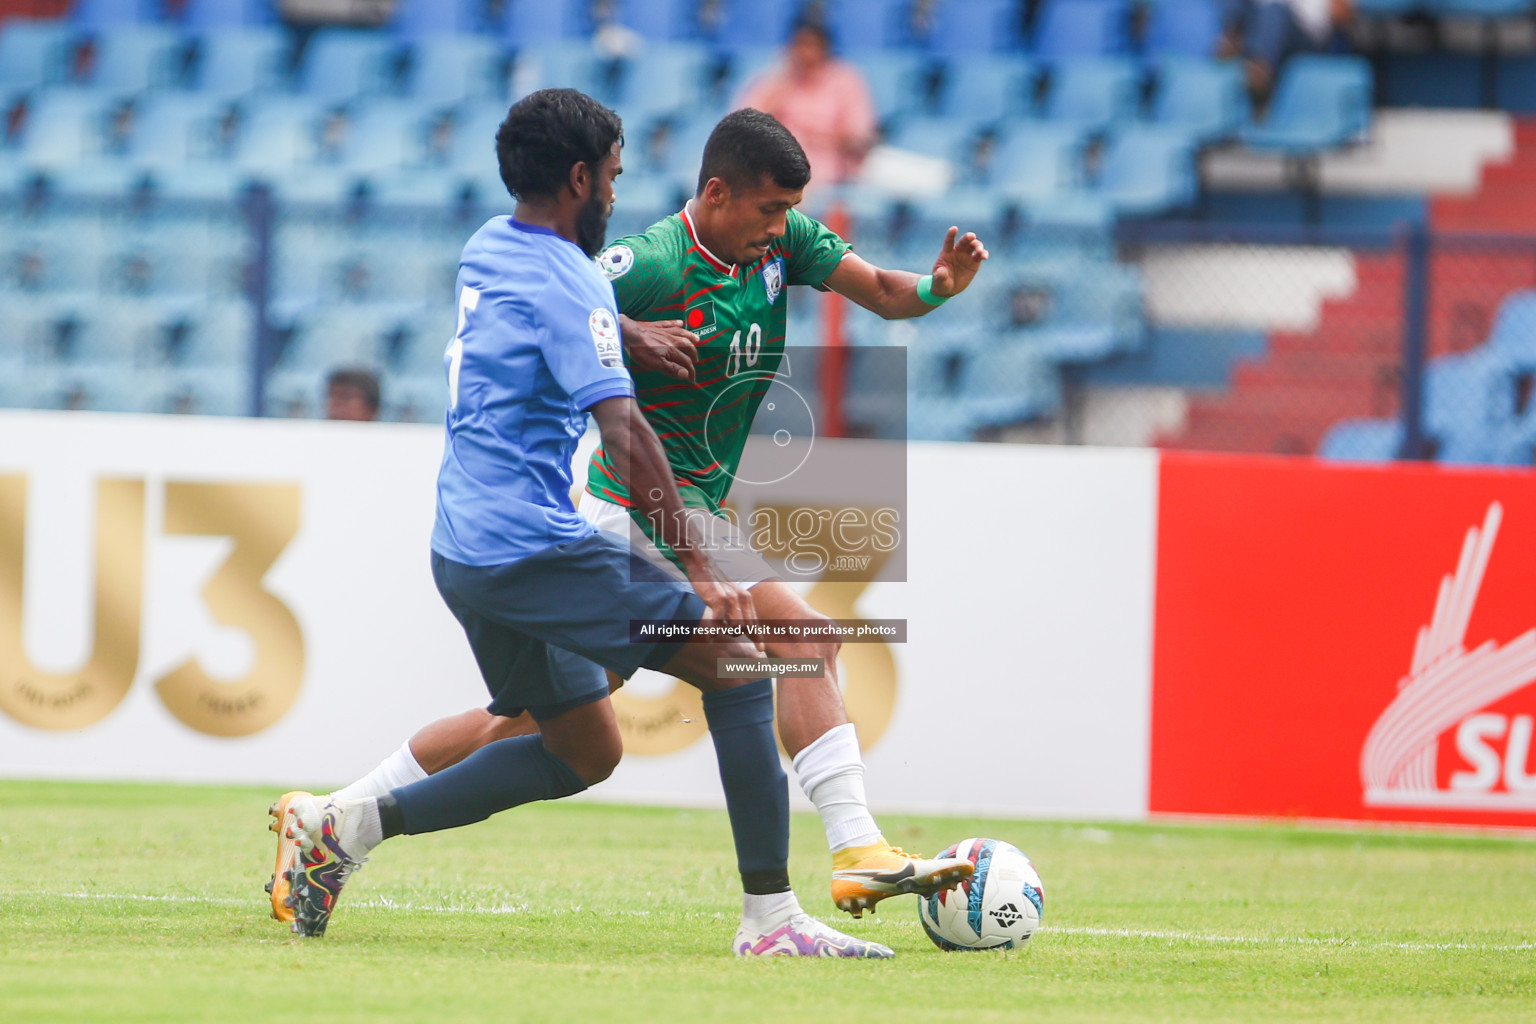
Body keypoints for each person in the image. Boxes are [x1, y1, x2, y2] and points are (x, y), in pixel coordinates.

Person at [278, 89, 893, 958]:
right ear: (580, 179)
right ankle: (774, 922)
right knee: (744, 660)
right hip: (533, 544)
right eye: (612, 176)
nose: (616, 193)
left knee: (581, 750)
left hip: (461, 547)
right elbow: (628, 435)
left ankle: (344, 828)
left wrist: (623, 333)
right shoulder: (573, 280)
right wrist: (705, 573)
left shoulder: (489, 245)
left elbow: (555, 321)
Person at [735, 19, 876, 198]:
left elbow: (859, 138)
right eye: (800, 45)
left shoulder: (846, 80)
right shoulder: (775, 79)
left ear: (826, 49)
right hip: (776, 167)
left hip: (829, 171)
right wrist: (781, 82)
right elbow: (742, 128)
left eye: (812, 46)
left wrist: (817, 136)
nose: (806, 53)